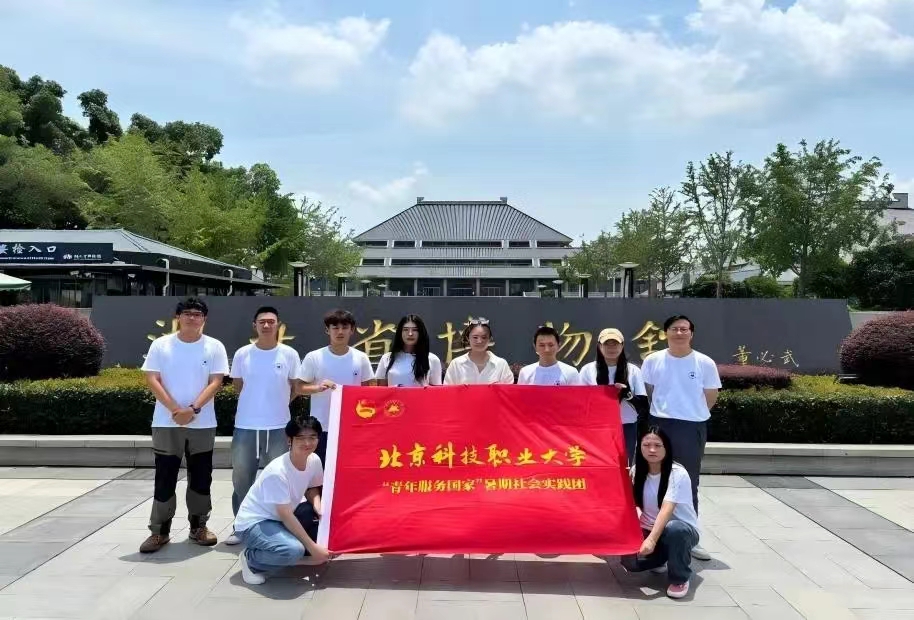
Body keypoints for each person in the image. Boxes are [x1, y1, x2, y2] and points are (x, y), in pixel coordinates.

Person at [139, 297, 229, 554]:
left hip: (202, 423)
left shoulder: (214, 346)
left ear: (204, 319)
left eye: (197, 314)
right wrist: (174, 410)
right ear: (177, 317)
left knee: (201, 476)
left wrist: (193, 409)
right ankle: (159, 531)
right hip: (166, 422)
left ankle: (199, 526)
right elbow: (152, 379)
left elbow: (216, 382)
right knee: (165, 475)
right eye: (187, 313)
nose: (192, 317)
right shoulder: (161, 345)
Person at [640, 314, 721, 562]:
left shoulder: (704, 362)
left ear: (691, 333)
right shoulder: (653, 360)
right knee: (654, 478)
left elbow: (710, 396)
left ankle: (689, 536)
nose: (679, 333)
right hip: (660, 424)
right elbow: (649, 392)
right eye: (674, 329)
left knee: (688, 481)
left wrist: (691, 414)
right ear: (665, 333)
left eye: (684, 329)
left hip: (691, 426)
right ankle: (652, 534)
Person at [224, 306, 301, 546]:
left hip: (278, 427)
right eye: (262, 322)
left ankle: (277, 525)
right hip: (246, 426)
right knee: (242, 479)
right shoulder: (243, 354)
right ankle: (241, 526)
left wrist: (278, 404)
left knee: (278, 480)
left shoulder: (289, 354)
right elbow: (238, 385)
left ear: (278, 325)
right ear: (255, 325)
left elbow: (295, 387)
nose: (266, 325)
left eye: (271, 321)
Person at [234, 415, 331, 585]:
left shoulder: (314, 460)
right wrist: (313, 549)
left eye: (312, 437)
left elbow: (312, 488)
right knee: (293, 550)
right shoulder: (277, 471)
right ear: (289, 440)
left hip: (281, 516)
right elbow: (286, 515)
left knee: (323, 537)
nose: (307, 443)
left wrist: (317, 504)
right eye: (301, 438)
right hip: (255, 522)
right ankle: (251, 560)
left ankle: (289, 554)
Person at [621, 426, 700, 600]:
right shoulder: (636, 471)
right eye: (646, 445)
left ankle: (680, 578)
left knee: (675, 529)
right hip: (649, 528)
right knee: (630, 562)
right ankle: (662, 557)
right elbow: (631, 504)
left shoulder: (677, 473)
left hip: (680, 531)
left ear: (667, 448)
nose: (652, 450)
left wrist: (651, 540)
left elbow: (667, 508)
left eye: (657, 445)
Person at [296, 309, 373, 463]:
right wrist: (318, 388)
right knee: (320, 470)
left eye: (345, 327)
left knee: (350, 468)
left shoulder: (361, 358)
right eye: (335, 328)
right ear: (327, 330)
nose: (340, 332)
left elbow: (368, 391)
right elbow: (298, 388)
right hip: (322, 426)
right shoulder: (314, 357)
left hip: (352, 425)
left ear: (352, 330)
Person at [579, 328, 649, 465]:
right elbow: (580, 401)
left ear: (622, 346)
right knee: (598, 464)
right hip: (597, 426)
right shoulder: (588, 370)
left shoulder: (633, 370)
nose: (611, 348)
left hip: (626, 426)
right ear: (599, 346)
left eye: (615, 344)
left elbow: (643, 406)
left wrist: (627, 394)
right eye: (607, 344)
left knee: (623, 465)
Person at [374, 314, 443, 387]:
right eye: (405, 330)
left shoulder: (432, 359)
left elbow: (436, 391)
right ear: (400, 332)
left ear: (421, 333)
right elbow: (381, 391)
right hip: (394, 395)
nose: (410, 334)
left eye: (415, 330)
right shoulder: (387, 358)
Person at [443, 317, 515, 385]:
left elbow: (509, 391)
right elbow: (447, 391)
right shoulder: (456, 364)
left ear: (489, 339)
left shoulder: (501, 365)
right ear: (468, 338)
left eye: (484, 337)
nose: (479, 341)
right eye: (475, 337)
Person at [516, 325, 581, 385]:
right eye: (542, 345)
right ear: (535, 346)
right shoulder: (525, 372)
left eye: (551, 345)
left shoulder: (571, 372)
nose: (547, 350)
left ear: (558, 346)